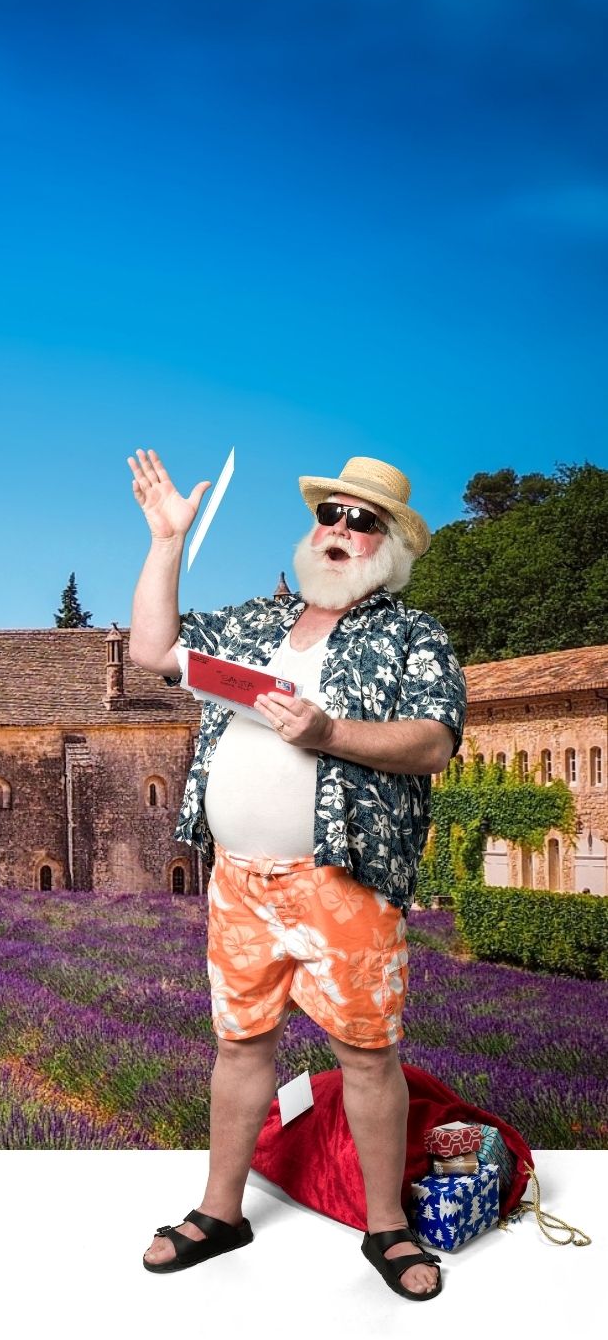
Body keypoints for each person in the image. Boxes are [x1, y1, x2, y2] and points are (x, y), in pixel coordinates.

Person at [124, 451, 465, 1301]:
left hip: (340, 879)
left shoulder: (410, 635)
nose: (340, 530)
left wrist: (327, 732)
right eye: (331, 515)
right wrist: (168, 540)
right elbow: (150, 650)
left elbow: (431, 741)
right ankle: (219, 1212)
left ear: (388, 545)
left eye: (362, 520)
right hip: (238, 881)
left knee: (365, 1052)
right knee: (239, 1044)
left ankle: (385, 1228)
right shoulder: (252, 624)